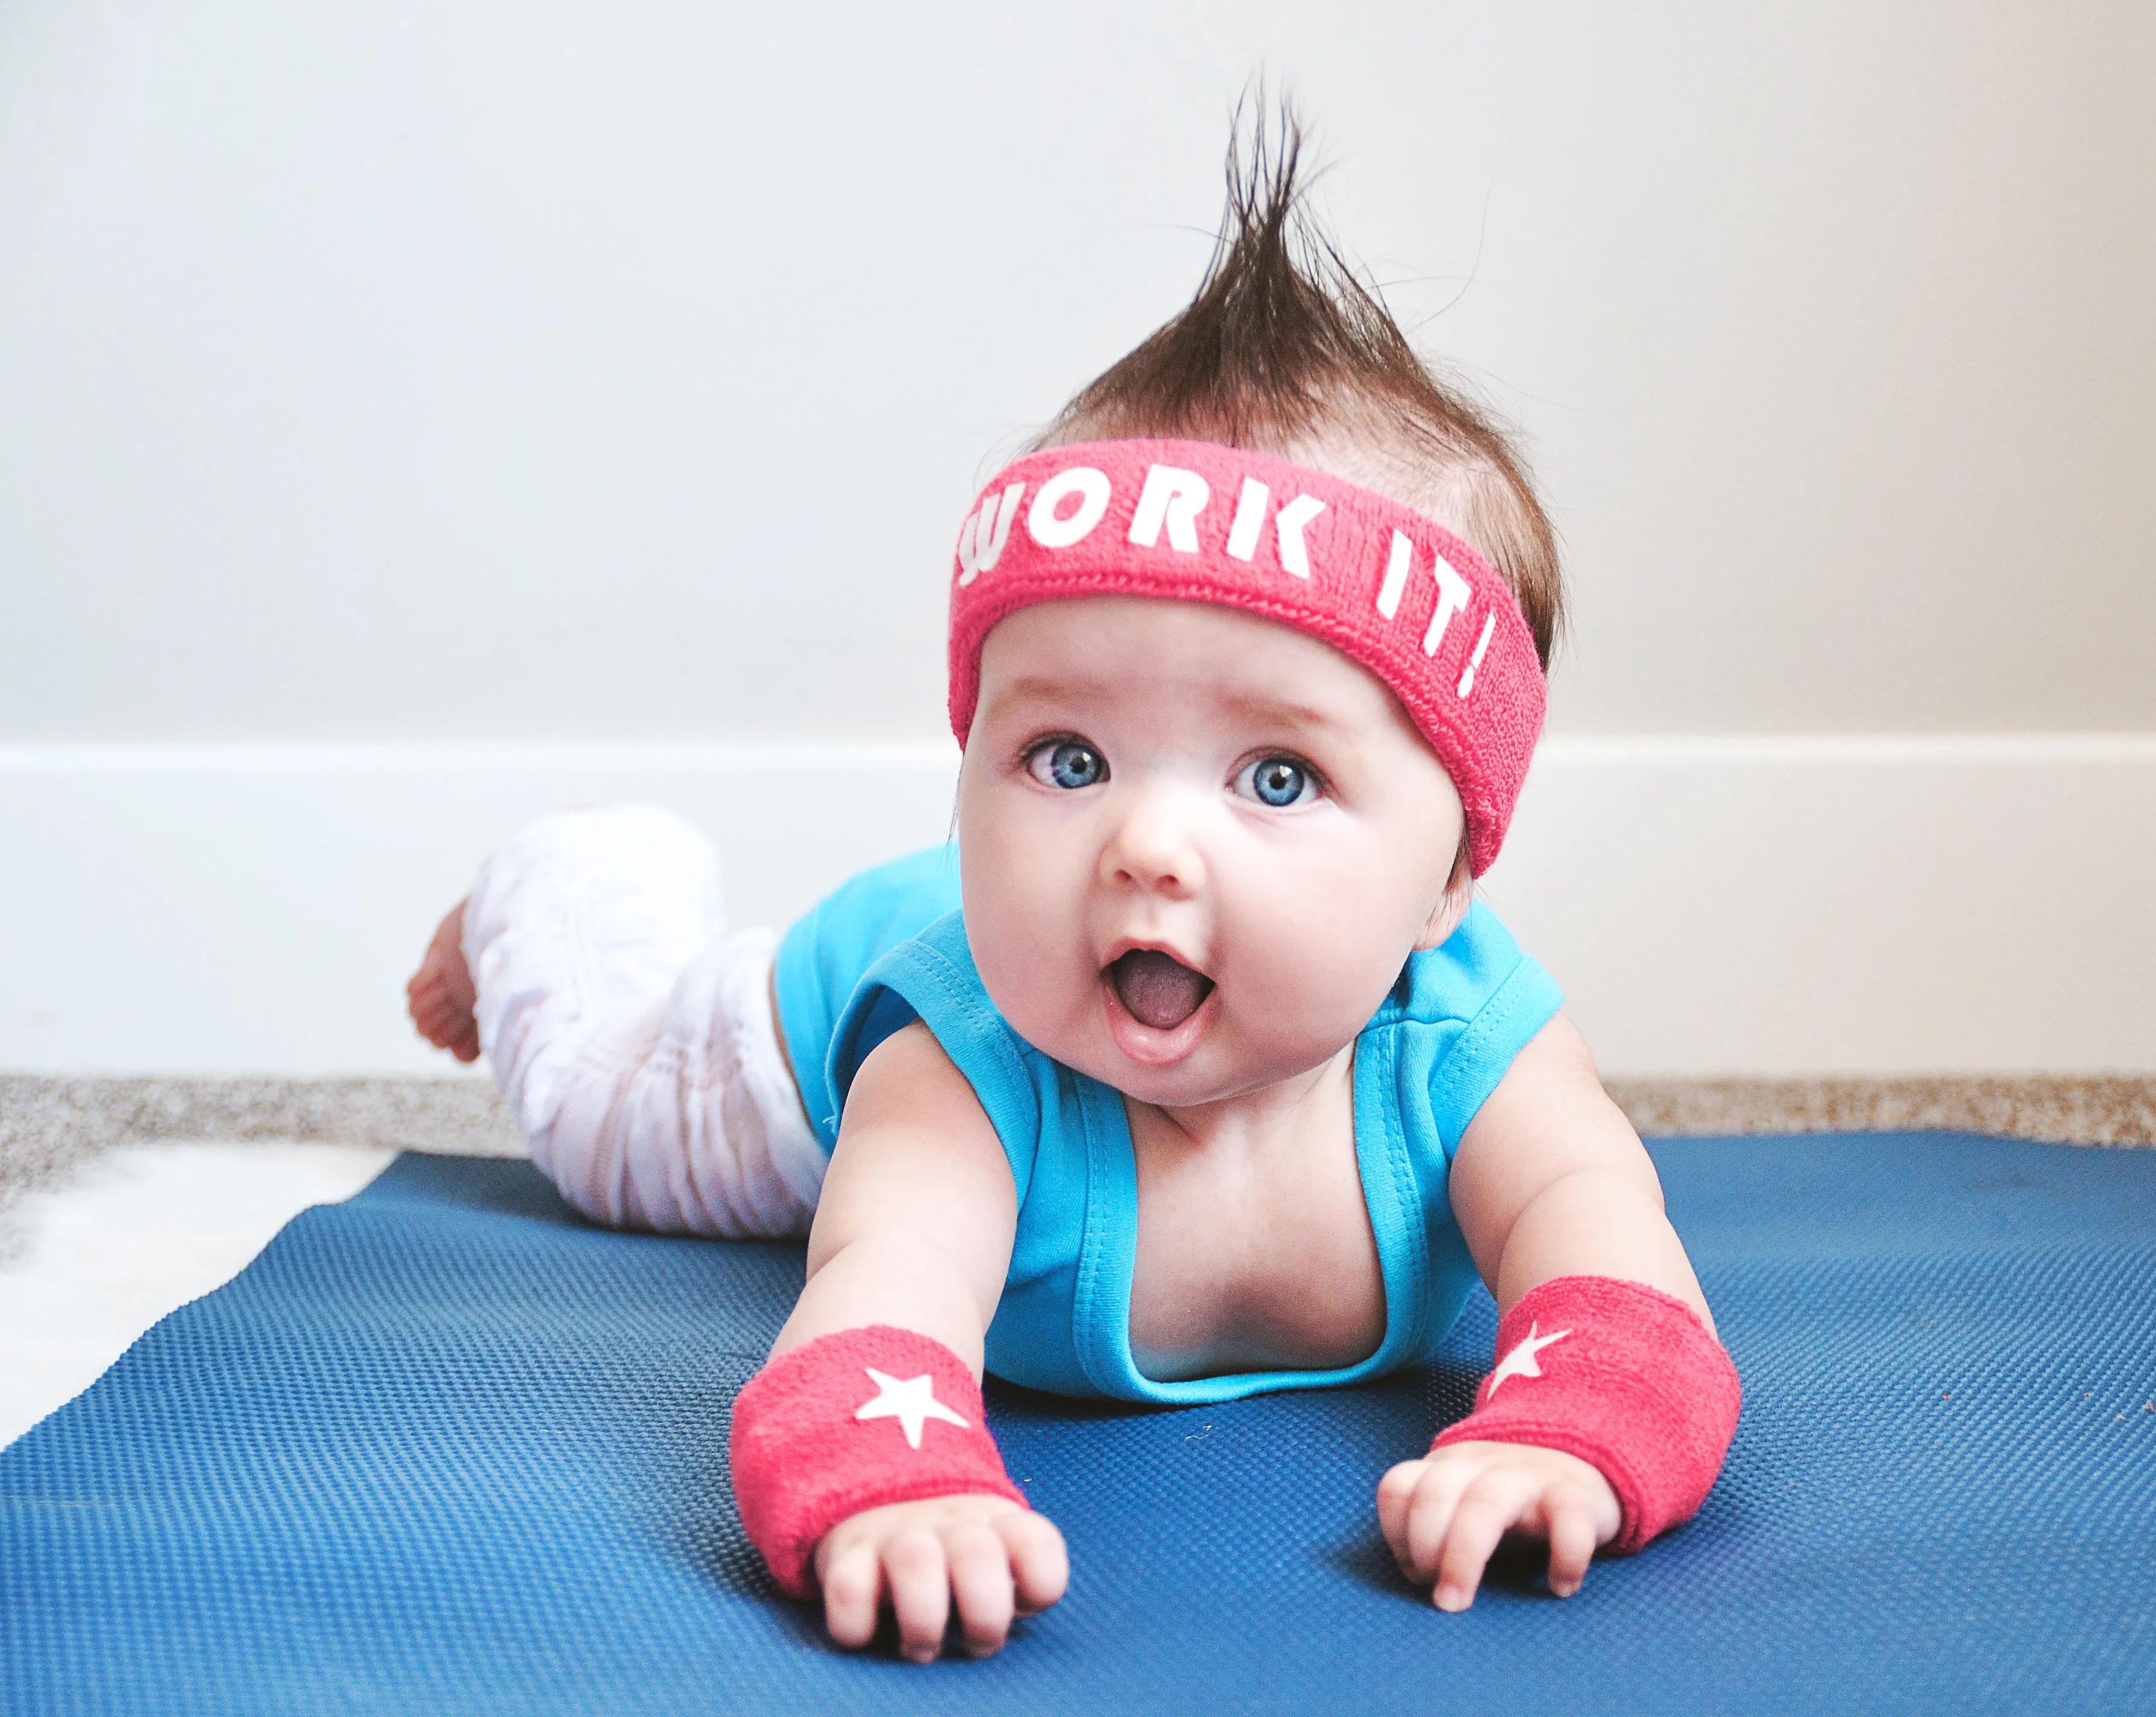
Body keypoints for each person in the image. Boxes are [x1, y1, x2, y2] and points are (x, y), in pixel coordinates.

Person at [406, 115, 1739, 1663]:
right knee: (604, 1120)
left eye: (1276, 779)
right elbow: (878, 1293)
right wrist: (890, 1478)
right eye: (1064, 756)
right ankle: (571, 877)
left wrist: (1569, 1433)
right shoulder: (958, 1068)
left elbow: (1616, 1261)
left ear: (1447, 875)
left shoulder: (1471, 1042)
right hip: (787, 1038)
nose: (1146, 848)